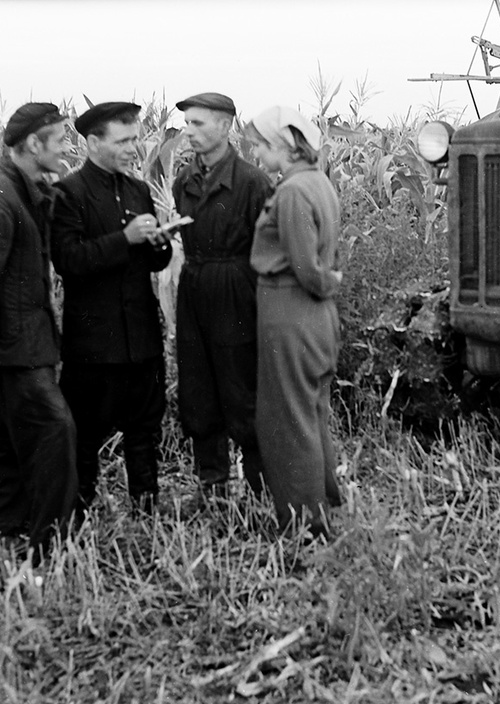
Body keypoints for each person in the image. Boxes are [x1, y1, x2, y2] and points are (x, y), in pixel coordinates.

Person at [0, 102, 78, 561]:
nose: (68, 147)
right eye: (60, 139)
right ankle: (50, 542)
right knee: (55, 430)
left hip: (26, 339)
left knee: (8, 433)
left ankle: (7, 523)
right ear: (34, 144)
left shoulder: (22, 188)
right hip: (15, 344)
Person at [51, 101, 172, 515]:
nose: (133, 149)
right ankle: (78, 517)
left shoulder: (138, 190)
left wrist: (159, 244)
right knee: (84, 437)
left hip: (140, 339)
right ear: (92, 142)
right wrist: (125, 240)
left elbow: (154, 260)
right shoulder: (69, 194)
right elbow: (68, 261)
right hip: (94, 346)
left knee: (144, 433)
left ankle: (147, 515)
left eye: (136, 139)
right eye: (123, 141)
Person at [245, 106, 343, 537]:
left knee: (287, 420)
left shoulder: (291, 192)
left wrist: (329, 280)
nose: (259, 154)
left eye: (263, 146)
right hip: (314, 318)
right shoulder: (318, 183)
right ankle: (323, 505)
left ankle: (304, 525)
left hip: (290, 311)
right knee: (311, 413)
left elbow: (307, 268)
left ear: (285, 147)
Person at [172, 92, 273, 505]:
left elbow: (265, 249)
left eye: (198, 123)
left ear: (225, 125)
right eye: (187, 124)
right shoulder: (184, 182)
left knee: (241, 387)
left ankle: (260, 489)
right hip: (194, 289)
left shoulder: (252, 182)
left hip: (236, 292)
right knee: (198, 387)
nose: (188, 132)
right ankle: (211, 487)